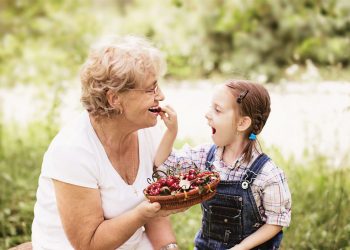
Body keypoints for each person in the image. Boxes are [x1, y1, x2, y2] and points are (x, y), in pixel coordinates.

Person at [31, 36, 182, 250]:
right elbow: (88, 243)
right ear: (115, 99)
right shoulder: (73, 151)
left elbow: (156, 210)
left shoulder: (149, 131)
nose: (161, 96)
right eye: (151, 89)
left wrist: (170, 248)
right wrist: (143, 213)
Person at [155, 80, 292, 250]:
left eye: (217, 110)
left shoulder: (266, 173)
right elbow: (164, 166)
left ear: (242, 123)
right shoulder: (206, 157)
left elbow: (276, 221)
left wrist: (240, 248)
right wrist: (171, 131)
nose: (207, 114)